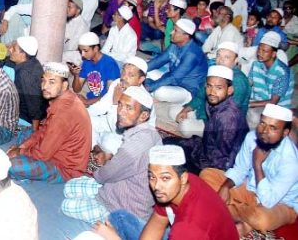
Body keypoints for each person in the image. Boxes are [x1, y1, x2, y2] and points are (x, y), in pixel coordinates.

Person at [91, 145, 238, 240]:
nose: (157, 186)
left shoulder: (189, 228)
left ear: (182, 177)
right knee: (119, 217)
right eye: (152, 177)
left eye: (165, 178)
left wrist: (114, 239)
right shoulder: (181, 185)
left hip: (192, 233)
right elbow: (158, 223)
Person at [62, 86, 161, 224]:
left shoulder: (139, 143)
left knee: (67, 206)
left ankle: (116, 224)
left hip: (126, 207)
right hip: (115, 188)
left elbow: (106, 174)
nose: (121, 111)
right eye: (120, 104)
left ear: (143, 116)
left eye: (129, 108)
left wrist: (98, 173)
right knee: (70, 187)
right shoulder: (145, 132)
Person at [199, 104, 298, 236]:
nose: (264, 131)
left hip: (281, 203)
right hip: (251, 189)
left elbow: (268, 201)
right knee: (207, 174)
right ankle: (241, 220)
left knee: (262, 220)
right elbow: (240, 169)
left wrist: (257, 164)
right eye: (262, 123)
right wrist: (225, 186)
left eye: (273, 128)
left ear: (285, 133)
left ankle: (231, 212)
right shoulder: (252, 137)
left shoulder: (291, 161)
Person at [7, 62, 92, 182]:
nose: (44, 86)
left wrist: (19, 151)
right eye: (43, 81)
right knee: (28, 132)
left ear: (64, 85)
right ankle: (25, 161)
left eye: (52, 82)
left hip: (65, 168)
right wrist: (22, 146)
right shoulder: (64, 99)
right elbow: (44, 129)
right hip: (54, 149)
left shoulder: (64, 112)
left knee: (11, 165)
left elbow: (42, 154)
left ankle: (27, 171)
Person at [168, 65, 248, 174]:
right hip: (206, 150)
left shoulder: (227, 118)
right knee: (168, 143)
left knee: (172, 164)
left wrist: (204, 170)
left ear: (230, 90)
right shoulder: (214, 103)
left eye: (218, 88)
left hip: (219, 163)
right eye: (209, 86)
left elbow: (222, 158)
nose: (212, 92)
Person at [146, 19, 208, 134]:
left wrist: (152, 86)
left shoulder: (192, 54)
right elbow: (158, 61)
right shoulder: (175, 45)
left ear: (186, 36)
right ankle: (150, 87)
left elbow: (174, 77)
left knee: (160, 92)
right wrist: (138, 69)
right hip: (173, 80)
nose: (171, 33)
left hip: (187, 90)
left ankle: (154, 92)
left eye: (175, 31)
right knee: (146, 72)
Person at [248, 32, 294, 129]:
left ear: (273, 54)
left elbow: (273, 102)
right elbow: (249, 84)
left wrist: (249, 104)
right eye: (259, 49)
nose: (260, 53)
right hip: (258, 101)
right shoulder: (256, 64)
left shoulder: (282, 72)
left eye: (264, 51)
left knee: (253, 116)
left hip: (277, 108)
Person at [72, 32, 122, 107]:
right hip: (91, 99)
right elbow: (77, 89)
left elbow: (111, 95)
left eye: (85, 51)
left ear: (96, 49)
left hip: (105, 104)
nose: (82, 54)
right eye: (81, 51)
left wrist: (87, 102)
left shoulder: (110, 64)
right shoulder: (86, 62)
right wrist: (76, 75)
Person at [9, 36, 47, 130]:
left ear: (23, 54)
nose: (10, 50)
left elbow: (34, 102)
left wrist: (34, 132)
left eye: (14, 49)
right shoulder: (33, 62)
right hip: (36, 112)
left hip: (26, 118)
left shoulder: (25, 74)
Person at [63, 0, 92, 66]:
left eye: (70, 7)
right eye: (67, 7)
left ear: (78, 10)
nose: (67, 9)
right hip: (65, 51)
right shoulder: (68, 19)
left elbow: (72, 46)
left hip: (73, 55)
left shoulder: (82, 25)